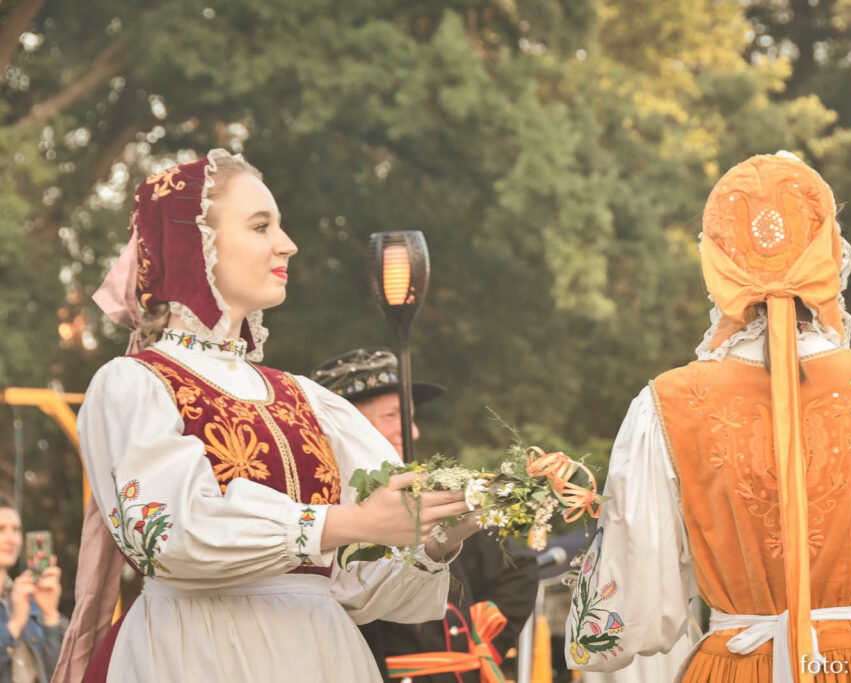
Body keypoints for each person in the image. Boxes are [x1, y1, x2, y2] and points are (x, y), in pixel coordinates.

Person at [54, 149, 480, 683]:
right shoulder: (136, 384)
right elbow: (167, 539)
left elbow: (356, 588)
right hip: (202, 652)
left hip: (323, 655)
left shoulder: (307, 398)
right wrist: (352, 522)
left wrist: (433, 539)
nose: (287, 244)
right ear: (195, 244)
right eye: (261, 226)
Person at [565, 153, 851, 682]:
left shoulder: (666, 403)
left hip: (736, 664)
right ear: (830, 256)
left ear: (717, 267)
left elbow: (631, 610)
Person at [312, 348, 540, 683]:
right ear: (348, 426)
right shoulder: (325, 509)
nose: (412, 431)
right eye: (392, 416)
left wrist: (481, 641)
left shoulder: (433, 495)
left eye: (409, 418)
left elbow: (518, 569)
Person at [0, 496, 64, 683]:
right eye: (1, 529)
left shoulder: (28, 599)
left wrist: (50, 615)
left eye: (16, 530)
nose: (12, 539)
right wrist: (15, 624)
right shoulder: (21, 609)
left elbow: (60, 675)